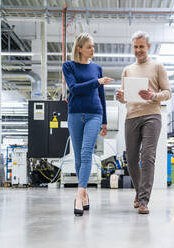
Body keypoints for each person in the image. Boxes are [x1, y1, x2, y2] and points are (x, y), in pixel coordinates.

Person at [116, 31, 171, 214]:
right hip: (131, 116)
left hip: (151, 116)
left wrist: (154, 95)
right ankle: (139, 192)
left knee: (147, 157)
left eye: (141, 46)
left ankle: (144, 201)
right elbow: (125, 98)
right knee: (131, 159)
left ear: (148, 46)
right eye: (135, 47)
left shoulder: (157, 67)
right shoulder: (128, 69)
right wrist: (120, 97)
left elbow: (168, 92)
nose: (138, 50)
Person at [62, 33, 113, 216]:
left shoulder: (97, 68)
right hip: (75, 114)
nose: (93, 49)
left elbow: (101, 97)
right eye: (89, 46)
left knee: (86, 153)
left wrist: (105, 120)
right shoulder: (68, 66)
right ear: (80, 48)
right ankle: (85, 195)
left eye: (93, 46)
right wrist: (97, 81)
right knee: (78, 158)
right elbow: (74, 88)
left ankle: (78, 195)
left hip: (94, 114)